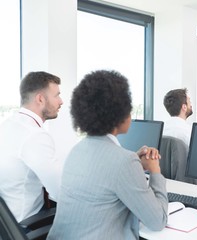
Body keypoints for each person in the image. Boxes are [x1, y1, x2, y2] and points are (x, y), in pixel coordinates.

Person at [47, 70, 168, 239]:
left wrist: (134, 161)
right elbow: (158, 221)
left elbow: (104, 175)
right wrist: (155, 171)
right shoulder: (124, 162)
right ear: (118, 113)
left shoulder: (77, 150)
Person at [0, 71, 63, 222]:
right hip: (26, 225)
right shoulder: (34, 135)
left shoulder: (8, 125)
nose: (61, 101)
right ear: (40, 99)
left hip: (7, 223)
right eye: (57, 95)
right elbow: (61, 191)